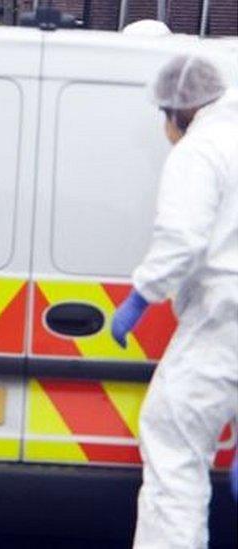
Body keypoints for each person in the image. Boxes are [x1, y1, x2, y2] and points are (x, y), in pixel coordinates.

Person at [110, 55, 237, 547]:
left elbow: (182, 238)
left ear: (179, 111)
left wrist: (143, 295)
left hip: (221, 319)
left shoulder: (201, 150)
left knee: (173, 454)